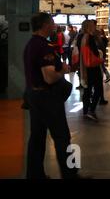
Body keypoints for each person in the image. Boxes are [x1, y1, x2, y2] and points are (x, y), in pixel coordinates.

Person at [24, 12, 79, 179]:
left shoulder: (31, 44)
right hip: (47, 98)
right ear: (45, 25)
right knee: (62, 137)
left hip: (34, 96)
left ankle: (35, 175)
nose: (54, 26)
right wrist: (63, 69)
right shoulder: (43, 47)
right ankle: (70, 175)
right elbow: (49, 77)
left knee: (37, 138)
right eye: (52, 23)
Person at [80, 20, 104, 121]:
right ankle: (91, 110)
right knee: (98, 89)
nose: (95, 27)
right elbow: (94, 53)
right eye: (93, 25)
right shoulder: (89, 38)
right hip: (93, 68)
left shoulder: (82, 37)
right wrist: (100, 59)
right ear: (90, 27)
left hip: (86, 68)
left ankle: (86, 111)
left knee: (87, 90)